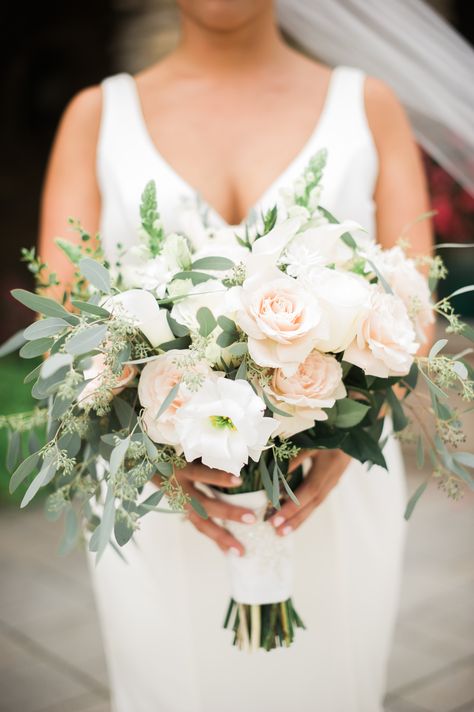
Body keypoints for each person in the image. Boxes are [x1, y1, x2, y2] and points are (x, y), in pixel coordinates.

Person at [39, 2, 436, 710]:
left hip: (328, 486)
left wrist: (348, 423)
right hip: (156, 498)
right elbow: (63, 325)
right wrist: (154, 455)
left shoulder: (367, 106)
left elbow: (414, 310)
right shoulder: (95, 118)